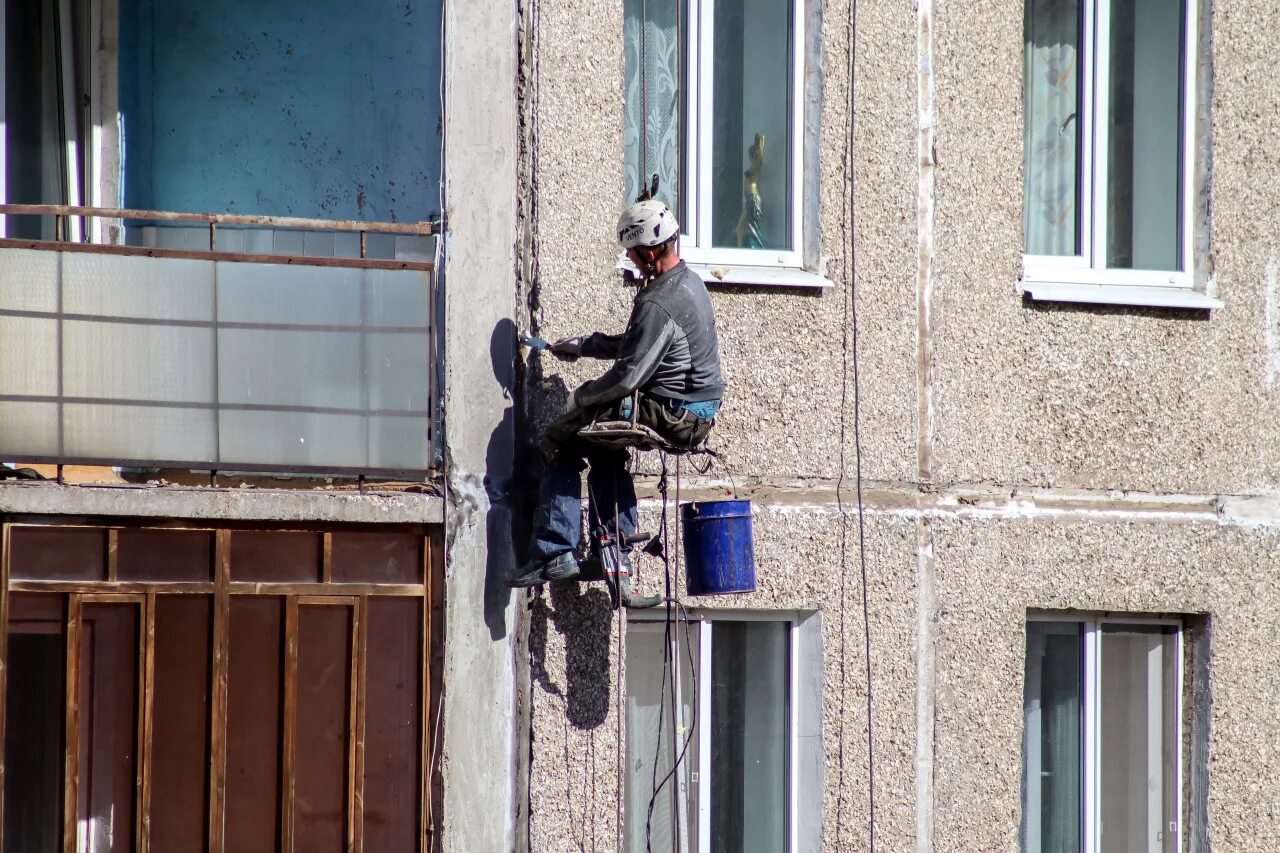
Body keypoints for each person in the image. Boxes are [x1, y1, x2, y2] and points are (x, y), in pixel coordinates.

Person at [508, 199, 724, 599]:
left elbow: (628, 376)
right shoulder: (687, 283)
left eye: (631, 251)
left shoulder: (658, 301)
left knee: (560, 438)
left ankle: (555, 551)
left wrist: (580, 397)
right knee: (604, 448)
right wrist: (585, 346)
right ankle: (615, 550)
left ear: (649, 249)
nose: (629, 258)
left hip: (674, 412)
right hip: (692, 410)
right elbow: (639, 345)